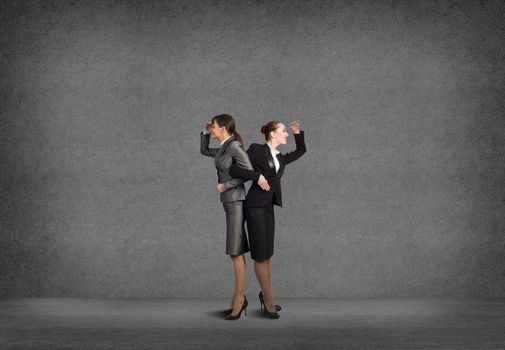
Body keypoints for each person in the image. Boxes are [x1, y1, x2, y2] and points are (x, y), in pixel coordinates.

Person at [229, 120, 306, 319]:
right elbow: (234, 169)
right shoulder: (256, 150)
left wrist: (298, 133)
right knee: (260, 255)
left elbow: (301, 151)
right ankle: (269, 300)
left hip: (269, 207)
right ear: (272, 134)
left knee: (268, 254)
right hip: (254, 207)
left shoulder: (280, 157)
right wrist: (256, 176)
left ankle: (266, 294)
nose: (286, 134)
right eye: (283, 131)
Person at [200, 114, 270, 320]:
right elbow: (204, 150)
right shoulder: (224, 147)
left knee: (236, 250)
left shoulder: (234, 147)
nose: (211, 129)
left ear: (222, 128)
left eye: (213, 127)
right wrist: (204, 132)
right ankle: (237, 299)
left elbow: (248, 172)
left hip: (236, 202)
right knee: (235, 250)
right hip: (229, 202)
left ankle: (239, 300)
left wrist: (226, 185)